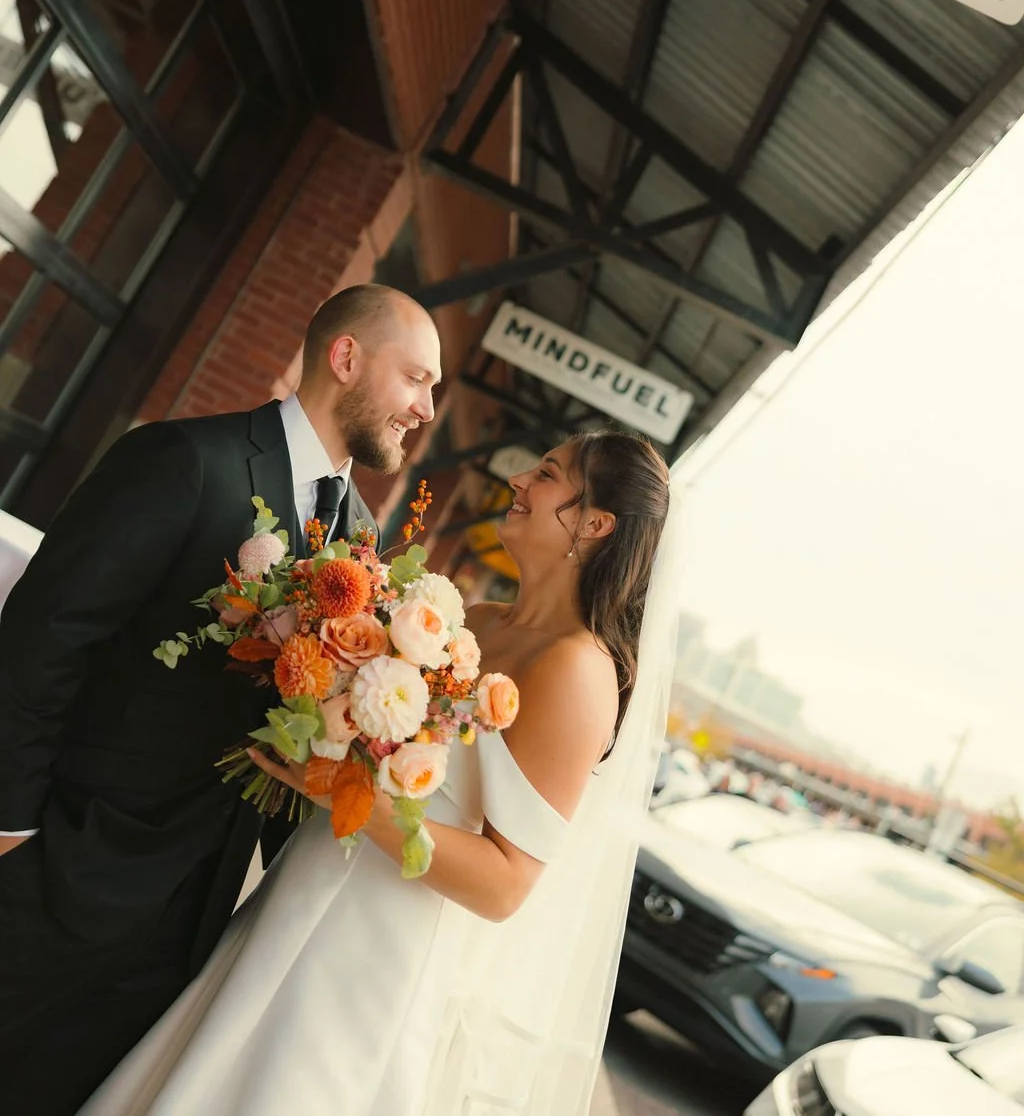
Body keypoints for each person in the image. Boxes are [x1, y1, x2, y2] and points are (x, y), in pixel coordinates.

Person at [81, 428, 677, 1116]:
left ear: (594, 522)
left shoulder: (578, 669)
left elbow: (506, 883)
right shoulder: (476, 618)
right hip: (307, 882)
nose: (518, 481)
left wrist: (342, 791)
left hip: (374, 950)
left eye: (546, 474)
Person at [0, 283, 441, 1116]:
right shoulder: (181, 460)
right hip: (61, 862)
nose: (425, 407)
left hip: (189, 918)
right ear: (346, 358)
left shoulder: (364, 541)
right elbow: (43, 638)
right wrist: (12, 824)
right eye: (416, 379)